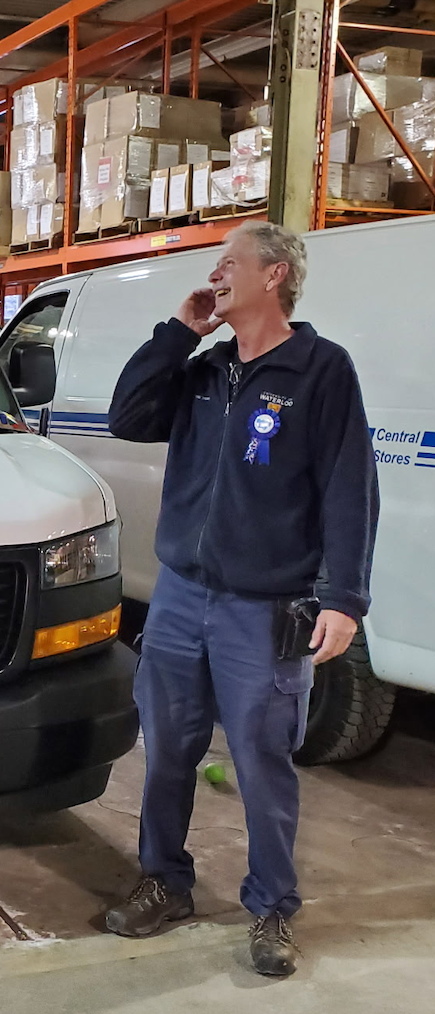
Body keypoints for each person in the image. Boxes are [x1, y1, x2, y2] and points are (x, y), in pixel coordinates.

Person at [104, 221, 379, 977]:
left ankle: (272, 909)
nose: (215, 276)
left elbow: (350, 488)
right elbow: (128, 417)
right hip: (181, 598)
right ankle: (165, 880)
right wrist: (176, 332)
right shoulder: (202, 370)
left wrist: (343, 597)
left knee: (261, 761)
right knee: (167, 753)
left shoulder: (321, 370)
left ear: (277, 276)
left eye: (230, 264)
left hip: (264, 608)